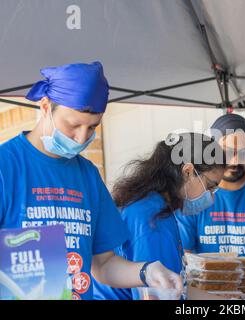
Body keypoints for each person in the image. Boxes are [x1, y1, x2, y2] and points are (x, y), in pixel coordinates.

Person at [0, 62, 182, 300]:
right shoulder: (7, 166)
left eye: (93, 127)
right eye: (73, 125)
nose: (82, 137)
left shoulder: (87, 175)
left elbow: (104, 264)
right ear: (45, 107)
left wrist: (146, 271)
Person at [93, 132, 225, 299]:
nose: (211, 196)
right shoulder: (152, 219)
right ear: (188, 172)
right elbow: (157, 294)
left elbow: (177, 287)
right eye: (210, 186)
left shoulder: (151, 205)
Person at [176, 113, 245, 287]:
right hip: (204, 295)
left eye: (244, 153)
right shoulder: (194, 189)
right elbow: (184, 255)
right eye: (227, 152)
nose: (235, 161)